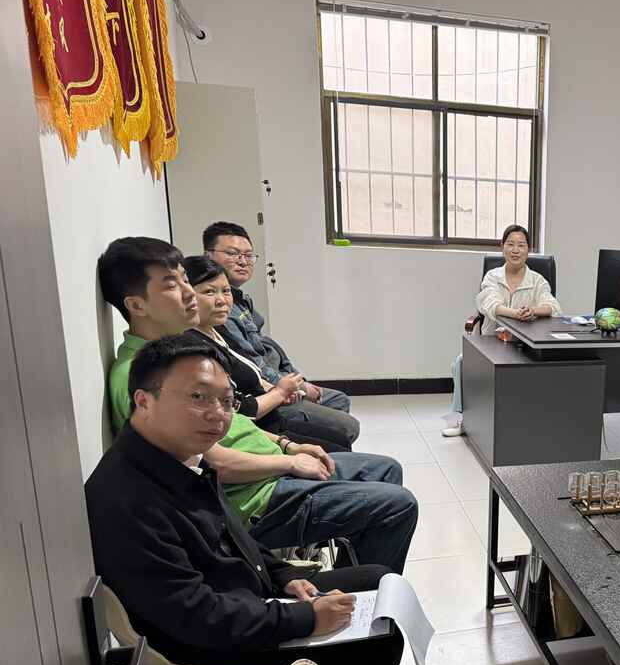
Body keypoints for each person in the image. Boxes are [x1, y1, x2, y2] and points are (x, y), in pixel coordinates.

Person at [85, 336, 414, 665]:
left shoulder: (177, 461)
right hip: (211, 647)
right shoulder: (127, 499)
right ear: (144, 400)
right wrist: (304, 617)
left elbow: (234, 539)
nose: (217, 415)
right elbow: (196, 617)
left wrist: (284, 577)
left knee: (378, 581)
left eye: (226, 401)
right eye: (198, 398)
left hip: (241, 602)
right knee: (381, 641)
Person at [98, 237, 418, 571]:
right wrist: (289, 464)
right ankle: (360, 593)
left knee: (386, 469)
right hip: (253, 499)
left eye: (184, 279)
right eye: (171, 285)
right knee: (397, 506)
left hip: (267, 467)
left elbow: (235, 420)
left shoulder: (176, 354)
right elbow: (212, 466)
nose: (189, 292)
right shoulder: (141, 378)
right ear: (137, 305)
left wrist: (288, 445)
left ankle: (352, 576)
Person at [183, 254, 360, 453]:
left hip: (271, 407)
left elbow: (256, 363)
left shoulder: (219, 328)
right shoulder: (195, 348)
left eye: (226, 291)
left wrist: (281, 388)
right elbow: (240, 410)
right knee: (344, 431)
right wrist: (280, 392)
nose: (221, 300)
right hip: (259, 424)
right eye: (209, 292)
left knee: (340, 428)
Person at [202, 221, 353, 415]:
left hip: (279, 381)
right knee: (340, 410)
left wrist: (295, 379)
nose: (243, 261)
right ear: (208, 256)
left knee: (337, 400)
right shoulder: (220, 310)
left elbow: (267, 347)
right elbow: (250, 362)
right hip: (264, 392)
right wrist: (289, 387)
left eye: (248, 255)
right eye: (232, 253)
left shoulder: (240, 300)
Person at [443, 224, 559, 438]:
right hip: (491, 341)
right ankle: (461, 419)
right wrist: (516, 314)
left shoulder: (537, 280)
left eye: (521, 245)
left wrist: (534, 310)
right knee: (461, 362)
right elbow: (489, 304)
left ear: (528, 249)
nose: (515, 250)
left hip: (524, 344)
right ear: (502, 247)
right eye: (510, 244)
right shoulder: (492, 277)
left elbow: (552, 306)